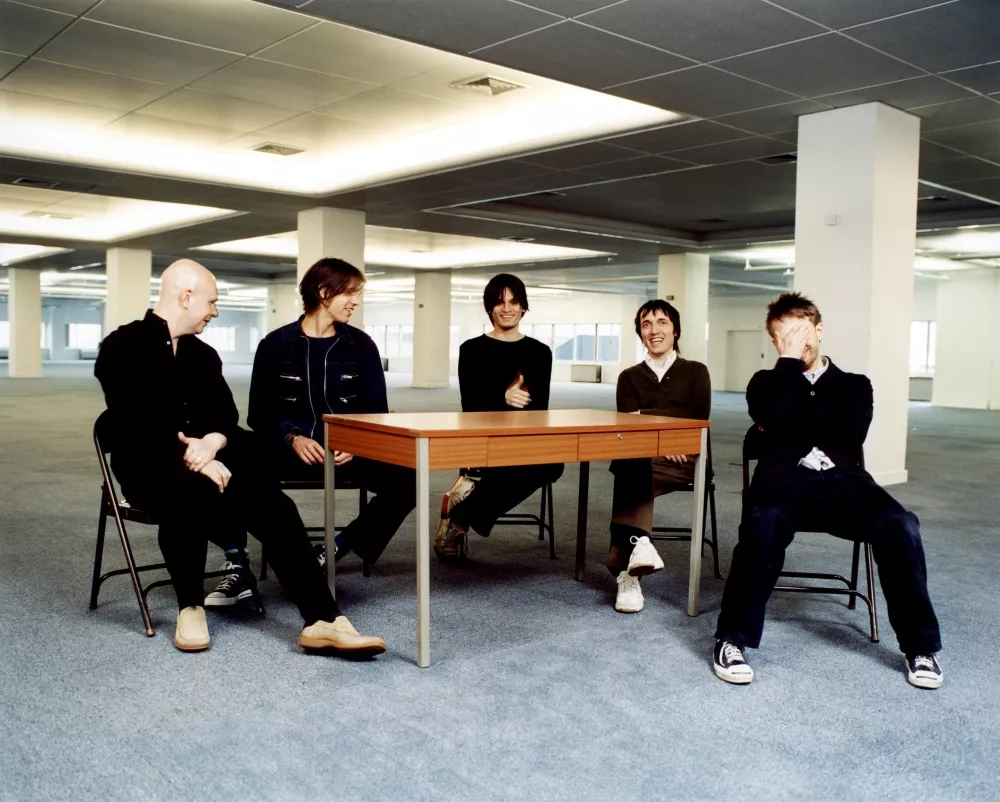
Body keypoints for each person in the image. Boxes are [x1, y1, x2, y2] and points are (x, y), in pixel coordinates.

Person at [94, 259, 385, 657]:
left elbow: (225, 419)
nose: (215, 311)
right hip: (147, 464)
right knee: (189, 488)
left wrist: (212, 443)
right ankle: (190, 606)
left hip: (210, 459)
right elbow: (134, 424)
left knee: (272, 501)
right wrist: (195, 458)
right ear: (186, 297)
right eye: (211, 302)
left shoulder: (203, 355)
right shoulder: (121, 347)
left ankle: (322, 619)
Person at [713, 292, 943, 689]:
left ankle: (921, 648)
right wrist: (788, 367)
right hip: (784, 483)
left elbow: (848, 436)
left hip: (844, 485)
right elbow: (771, 416)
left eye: (802, 332)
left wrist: (787, 430)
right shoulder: (765, 382)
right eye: (785, 337)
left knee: (900, 524)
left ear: (819, 330)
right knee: (762, 523)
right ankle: (732, 639)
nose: (797, 342)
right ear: (775, 342)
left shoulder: (855, 385)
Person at [248, 257, 416, 568]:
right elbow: (258, 414)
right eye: (349, 293)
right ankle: (281, 557)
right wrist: (292, 438)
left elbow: (376, 413)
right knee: (240, 473)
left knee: (409, 478)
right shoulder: (275, 345)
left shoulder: (361, 346)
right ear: (324, 292)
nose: (355, 302)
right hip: (290, 452)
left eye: (357, 294)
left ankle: (340, 545)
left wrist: (355, 444)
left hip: (347, 455)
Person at [434, 273, 564, 559]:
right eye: (499, 302)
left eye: (514, 302)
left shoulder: (540, 352)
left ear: (523, 306)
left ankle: (460, 517)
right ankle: (465, 514)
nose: (507, 308)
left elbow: (539, 408)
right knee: (510, 467)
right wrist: (502, 398)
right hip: (483, 438)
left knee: (554, 463)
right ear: (489, 307)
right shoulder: (471, 350)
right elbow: (469, 406)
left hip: (524, 440)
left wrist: (517, 403)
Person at [607, 299, 711, 613]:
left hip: (685, 461)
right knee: (633, 459)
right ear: (640, 333)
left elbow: (697, 419)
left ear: (675, 330)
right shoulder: (628, 377)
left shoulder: (695, 372)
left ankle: (626, 570)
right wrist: (662, 434)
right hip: (642, 457)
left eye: (662, 322)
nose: (654, 330)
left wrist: (646, 418)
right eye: (646, 324)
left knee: (630, 464)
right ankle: (641, 547)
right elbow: (627, 425)